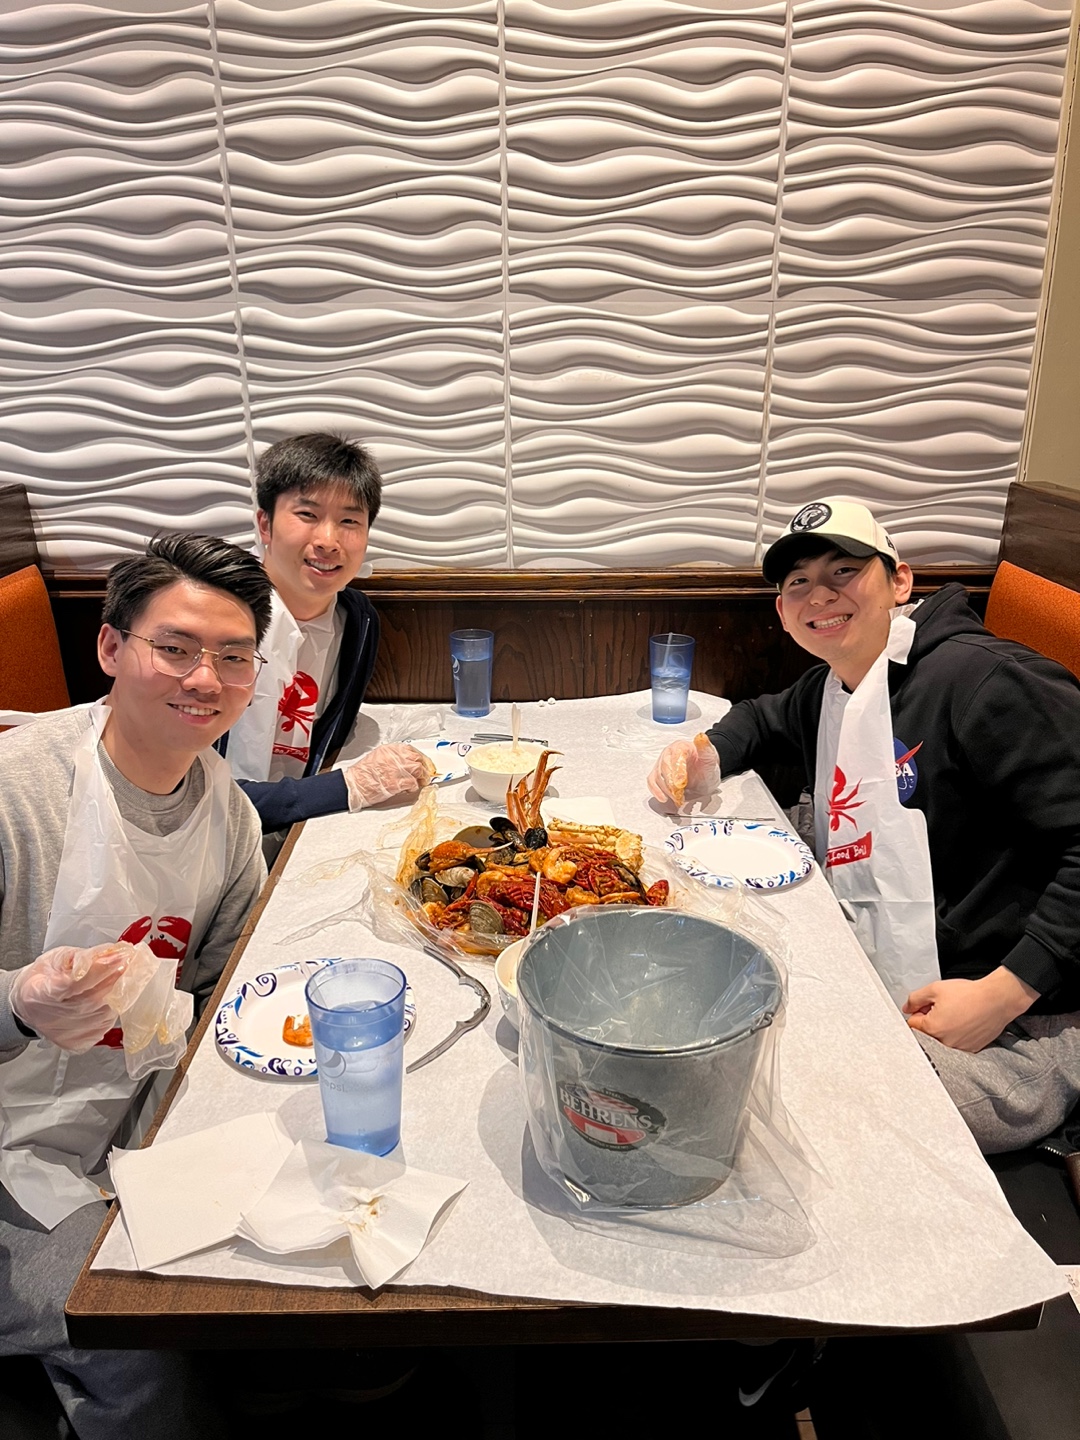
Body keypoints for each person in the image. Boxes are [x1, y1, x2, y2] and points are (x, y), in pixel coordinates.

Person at [649, 497, 1080, 1153]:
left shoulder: (981, 680)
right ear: (783, 613)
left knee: (793, 1107)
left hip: (1025, 1021)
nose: (819, 593)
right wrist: (701, 752)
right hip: (899, 971)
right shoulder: (836, 685)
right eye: (798, 583)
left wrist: (1004, 991)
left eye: (843, 570)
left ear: (900, 581)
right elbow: (763, 718)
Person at [0, 533, 272, 1438]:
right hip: (10, 1153)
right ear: (113, 648)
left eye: (233, 658)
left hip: (141, 1117)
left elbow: (232, 986)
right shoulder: (17, 791)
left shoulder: (227, 809)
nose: (207, 679)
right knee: (134, 1333)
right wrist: (18, 1003)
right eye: (177, 648)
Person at [219, 432, 432, 836]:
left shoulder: (357, 621)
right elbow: (191, 803)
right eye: (307, 515)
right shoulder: (215, 625)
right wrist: (345, 787)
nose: (328, 541)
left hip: (291, 836)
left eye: (349, 521)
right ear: (264, 523)